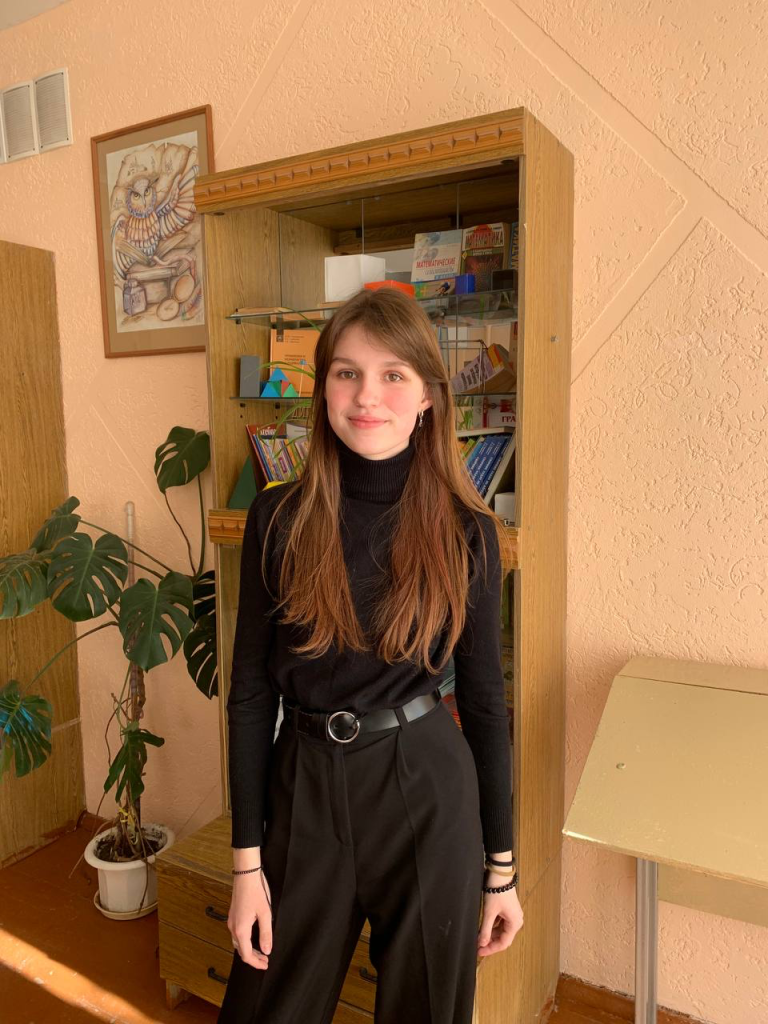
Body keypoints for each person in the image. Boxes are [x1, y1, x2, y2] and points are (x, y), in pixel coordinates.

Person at [217, 287, 524, 1024]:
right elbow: (252, 694)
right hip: (304, 784)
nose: (367, 396)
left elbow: (485, 702)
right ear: (323, 388)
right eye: (347, 373)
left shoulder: (468, 531)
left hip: (426, 787)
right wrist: (246, 866)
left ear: (427, 396)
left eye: (393, 375)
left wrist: (502, 869)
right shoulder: (278, 517)